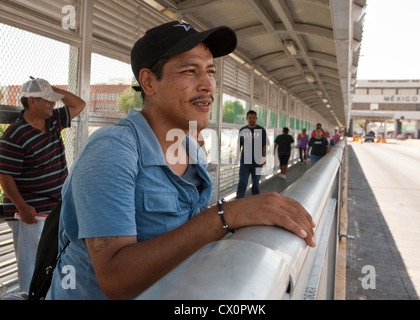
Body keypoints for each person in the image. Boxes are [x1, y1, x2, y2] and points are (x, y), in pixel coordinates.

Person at [45, 21, 316, 300]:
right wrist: (227, 215)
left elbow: (185, 236)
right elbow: (115, 280)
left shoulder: (191, 149)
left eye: (210, 72)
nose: (207, 85)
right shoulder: (112, 150)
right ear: (149, 82)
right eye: (190, 71)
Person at [0, 78, 85, 293]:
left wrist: (52, 90)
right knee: (32, 266)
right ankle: (31, 296)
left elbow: (79, 104)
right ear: (31, 101)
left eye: (53, 100)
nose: (52, 104)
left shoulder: (53, 120)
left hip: (55, 207)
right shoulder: (15, 134)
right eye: (47, 100)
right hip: (31, 213)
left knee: (53, 259)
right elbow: (5, 175)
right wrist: (21, 207)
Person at [235, 110, 268, 198]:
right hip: (245, 162)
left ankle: (255, 199)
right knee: (243, 181)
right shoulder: (243, 130)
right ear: (247, 119)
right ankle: (239, 199)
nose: (252, 120)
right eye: (250, 118)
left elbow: (264, 145)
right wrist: (237, 156)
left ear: (256, 118)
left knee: (256, 181)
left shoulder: (261, 130)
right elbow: (239, 144)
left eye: (253, 118)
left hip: (257, 162)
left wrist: (264, 157)